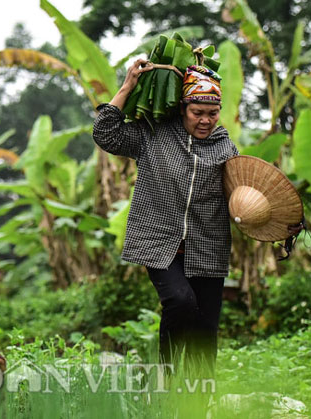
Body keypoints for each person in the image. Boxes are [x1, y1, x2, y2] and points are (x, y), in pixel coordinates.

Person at [92, 59, 239, 377]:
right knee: (181, 301)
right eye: (197, 113)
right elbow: (105, 134)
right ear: (183, 108)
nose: (205, 121)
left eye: (212, 113)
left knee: (204, 333)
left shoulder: (224, 147)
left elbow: (243, 195)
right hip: (161, 242)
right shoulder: (154, 136)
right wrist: (128, 85)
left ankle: (197, 406)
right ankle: (166, 378)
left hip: (207, 247)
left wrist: (280, 222)